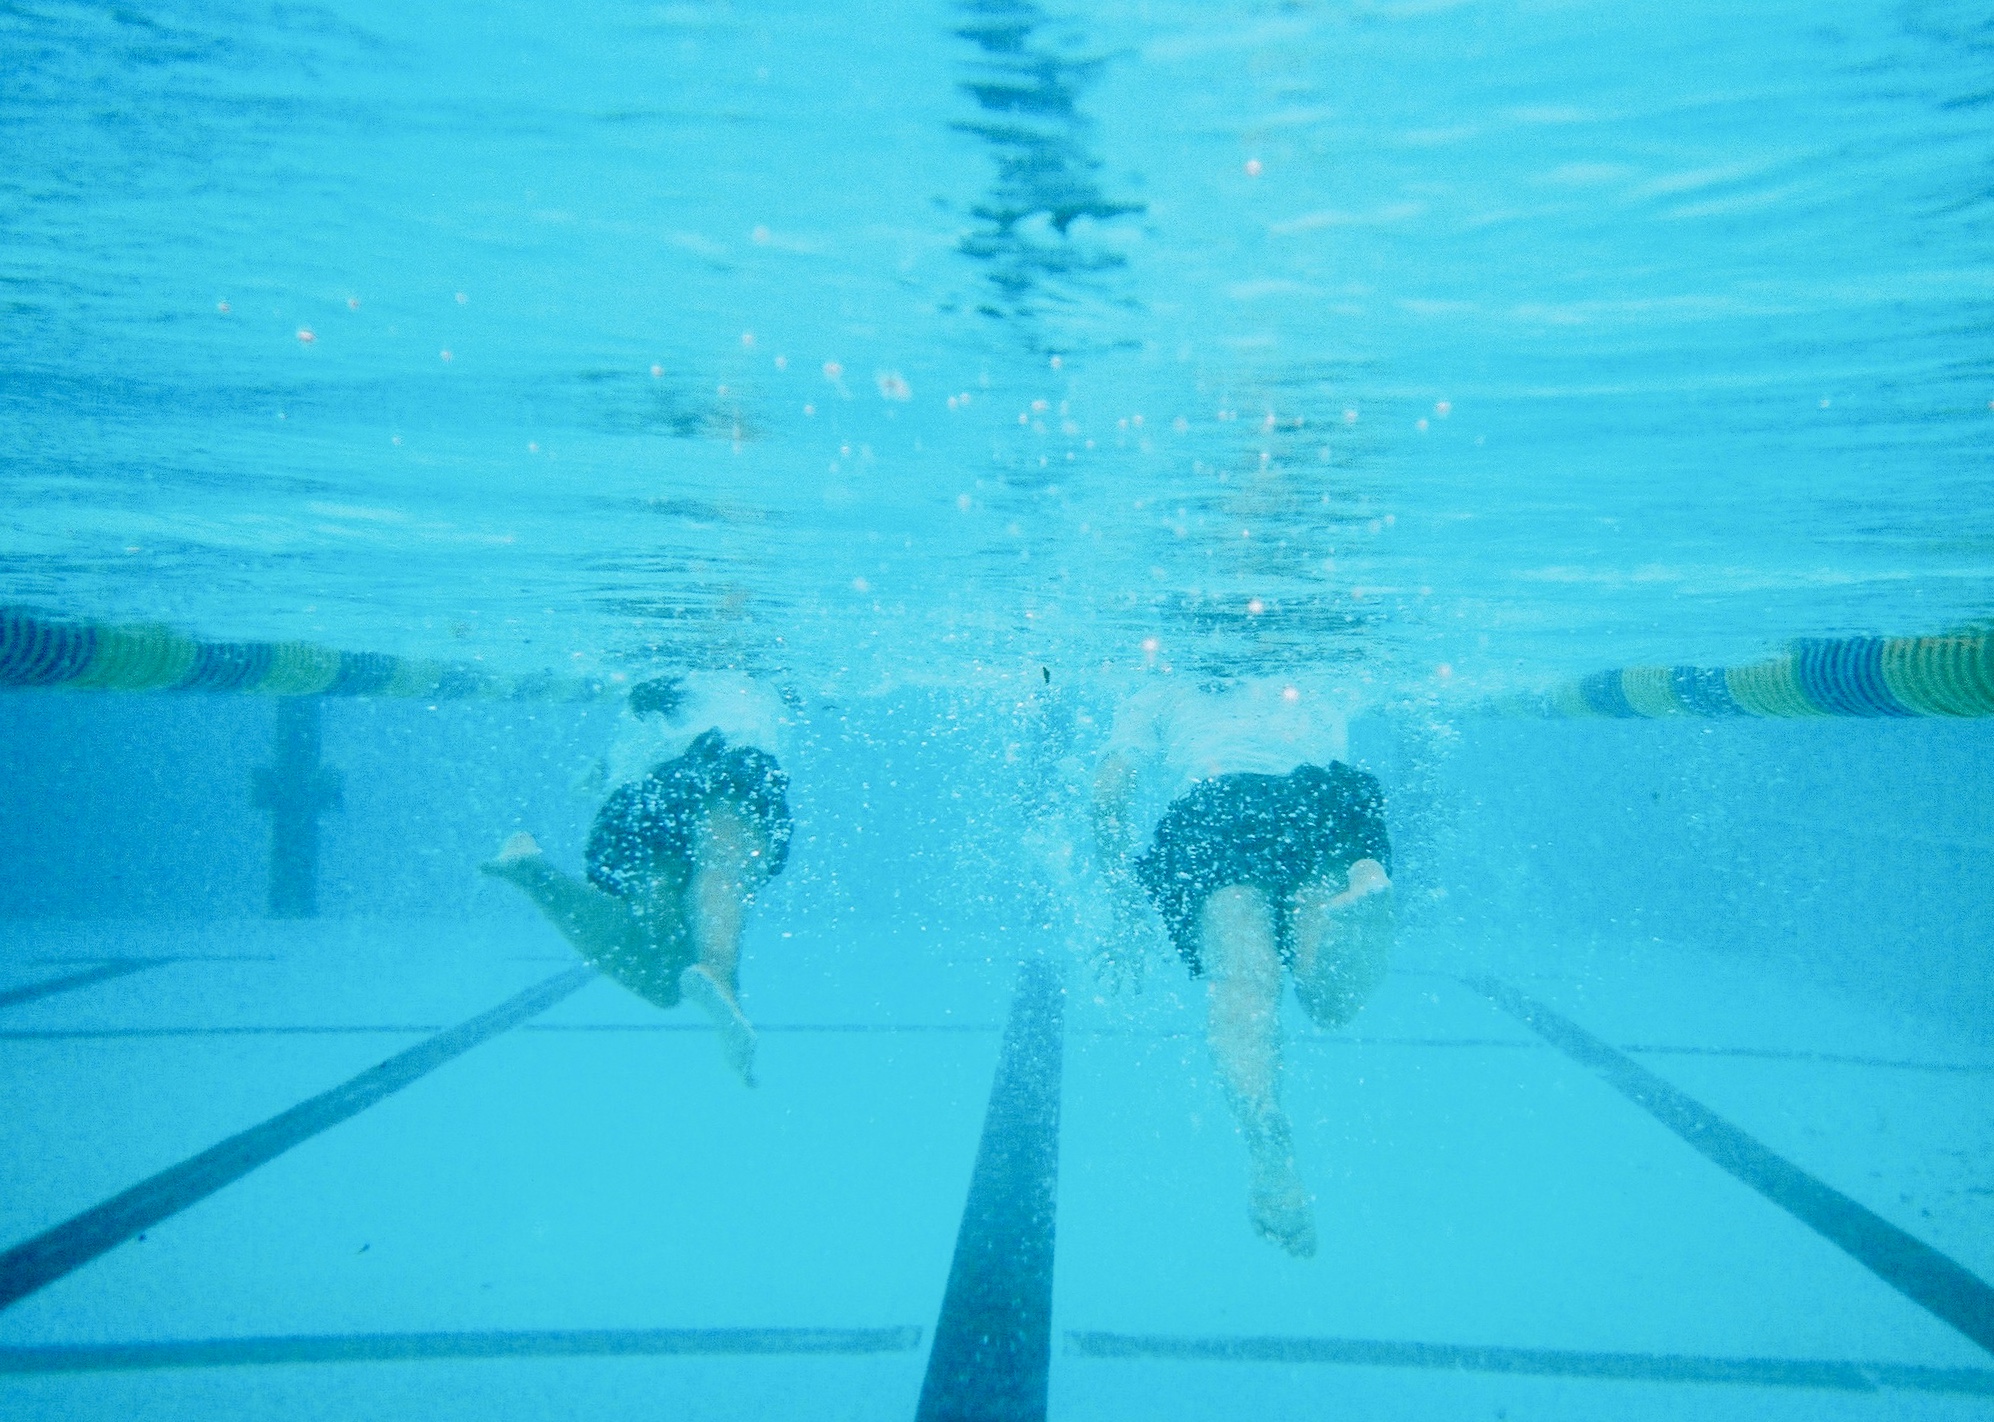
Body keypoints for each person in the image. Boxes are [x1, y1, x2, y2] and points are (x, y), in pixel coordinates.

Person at [1091, 675, 1394, 1257]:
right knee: (1328, 998)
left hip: (1217, 808)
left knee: (1244, 982)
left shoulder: (1161, 687)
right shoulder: (1317, 668)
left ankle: (1266, 1136)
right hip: (1320, 798)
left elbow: (1109, 791)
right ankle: (1367, 880)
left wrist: (1123, 908)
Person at [481, 672, 793, 1085]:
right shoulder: (744, 679)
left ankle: (533, 872)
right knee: (723, 871)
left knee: (661, 977)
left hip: (645, 798)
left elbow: (609, 766)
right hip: (731, 766)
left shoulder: (647, 688)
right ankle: (719, 970)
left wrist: (598, 776)